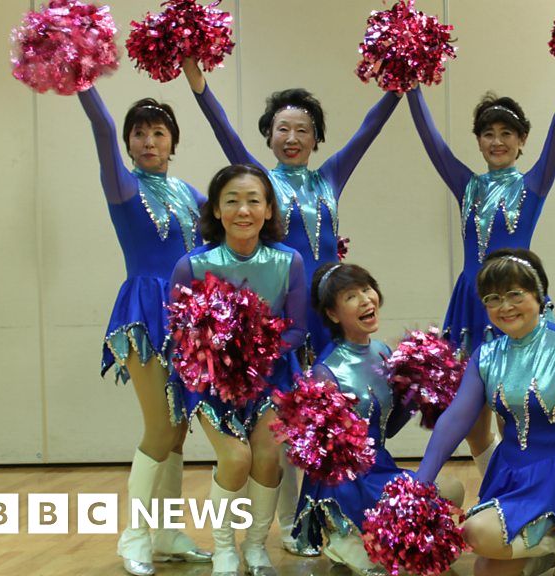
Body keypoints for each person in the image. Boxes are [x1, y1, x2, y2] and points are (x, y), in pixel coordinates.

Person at [182, 60, 401, 553]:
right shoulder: (258, 181)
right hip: (280, 326)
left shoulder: (330, 177)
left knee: (323, 425)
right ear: (269, 135)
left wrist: (398, 86)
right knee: (279, 432)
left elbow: (369, 131)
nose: (292, 137)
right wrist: (200, 87)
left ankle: (320, 517)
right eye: (282, 128)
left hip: (325, 320)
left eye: (303, 129)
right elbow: (224, 133)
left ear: (317, 137)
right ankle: (288, 524)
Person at [415, 249, 555, 576]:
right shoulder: (487, 354)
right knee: (485, 567)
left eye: (515, 294)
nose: (505, 306)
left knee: (477, 534)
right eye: (493, 298)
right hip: (513, 476)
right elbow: (455, 418)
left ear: (539, 295)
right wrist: (418, 486)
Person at [406, 82, 555, 474]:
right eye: (488, 133)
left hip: (518, 304)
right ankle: (493, 480)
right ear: (479, 141)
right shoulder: (467, 186)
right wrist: (412, 86)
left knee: (516, 405)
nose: (497, 141)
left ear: (522, 141)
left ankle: (521, 485)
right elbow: (432, 142)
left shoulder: (532, 184)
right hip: (471, 304)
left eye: (507, 133)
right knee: (471, 418)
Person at [78, 86, 210, 575]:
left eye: (158, 133)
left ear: (173, 142)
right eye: (140, 133)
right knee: (158, 424)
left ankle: (167, 530)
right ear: (130, 143)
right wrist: (81, 78)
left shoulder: (189, 193)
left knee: (177, 429)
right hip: (144, 311)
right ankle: (134, 535)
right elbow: (102, 129)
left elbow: (239, 208)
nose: (148, 141)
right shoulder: (123, 186)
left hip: (189, 314)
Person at [169, 164, 308, 576]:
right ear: (215, 210)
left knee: (267, 458)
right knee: (235, 458)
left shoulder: (289, 261)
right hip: (212, 383)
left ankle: (255, 545)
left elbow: (298, 329)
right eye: (231, 200)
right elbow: (178, 335)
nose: (242, 210)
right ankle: (224, 547)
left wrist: (254, 353)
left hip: (271, 377)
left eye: (253, 200)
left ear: (268, 210)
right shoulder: (192, 265)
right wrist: (219, 358)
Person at [292, 262, 464, 575]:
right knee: (399, 556)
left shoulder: (383, 352)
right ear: (333, 314)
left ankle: (365, 538)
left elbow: (390, 428)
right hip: (345, 485)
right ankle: (342, 532)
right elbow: (323, 465)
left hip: (380, 470)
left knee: (451, 491)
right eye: (350, 297)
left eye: (367, 289)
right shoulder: (326, 371)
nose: (366, 300)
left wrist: (419, 390)